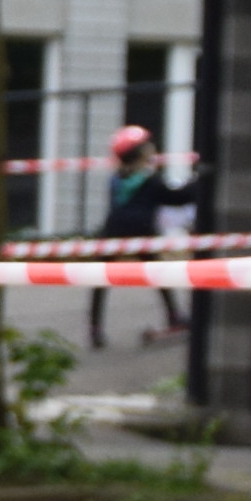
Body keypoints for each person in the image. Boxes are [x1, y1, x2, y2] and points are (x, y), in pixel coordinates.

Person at [91, 124, 173, 348]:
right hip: (141, 232)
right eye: (148, 146)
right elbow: (175, 198)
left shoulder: (116, 179)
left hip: (113, 231)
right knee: (159, 274)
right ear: (140, 153)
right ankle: (174, 315)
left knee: (100, 277)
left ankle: (95, 327)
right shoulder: (150, 180)